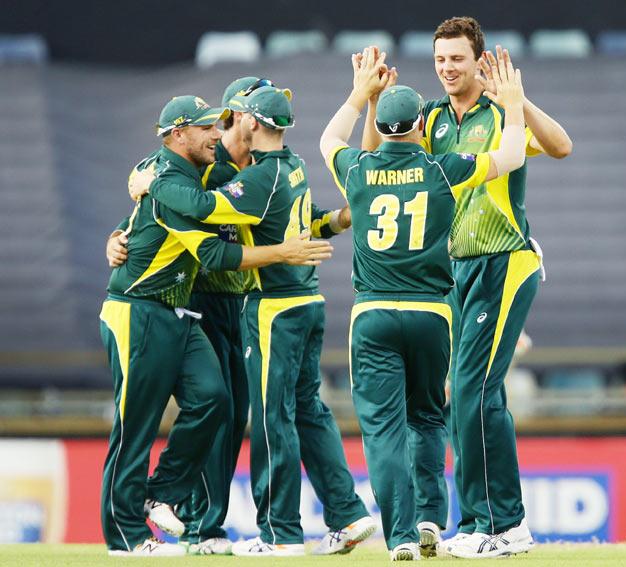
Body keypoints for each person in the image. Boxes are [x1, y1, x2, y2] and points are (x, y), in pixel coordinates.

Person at [129, 85, 376, 557]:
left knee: (263, 414)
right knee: (253, 411)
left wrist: (333, 221)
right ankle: (217, 525)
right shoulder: (225, 157)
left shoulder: (264, 172)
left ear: (251, 120)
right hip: (212, 296)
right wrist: (124, 227)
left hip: (260, 302)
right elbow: (152, 174)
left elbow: (215, 209)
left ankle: (278, 532)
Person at [363, 17, 573, 558]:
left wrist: (519, 101)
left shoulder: (501, 110)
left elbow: (561, 146)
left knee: (474, 393)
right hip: (455, 271)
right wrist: (371, 103)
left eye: (456, 59)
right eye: (439, 60)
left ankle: (487, 522)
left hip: (506, 260)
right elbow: (371, 157)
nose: (446, 69)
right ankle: (509, 524)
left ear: (478, 60)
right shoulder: (430, 119)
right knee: (477, 395)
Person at [321, 46, 528, 560]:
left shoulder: (358, 171)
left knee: (384, 431)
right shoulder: (441, 169)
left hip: (372, 315)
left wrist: (361, 94)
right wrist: (515, 101)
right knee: (430, 419)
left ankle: (403, 538)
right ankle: (434, 516)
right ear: (422, 125)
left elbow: (331, 139)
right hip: (433, 313)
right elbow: (513, 157)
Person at [112, 76, 285, 556]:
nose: (220, 129)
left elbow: (148, 209)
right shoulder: (185, 174)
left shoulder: (257, 164)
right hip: (164, 302)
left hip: (200, 306)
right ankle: (136, 532)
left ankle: (165, 497)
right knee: (138, 423)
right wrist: (283, 252)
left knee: (218, 406)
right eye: (210, 124)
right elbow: (203, 239)